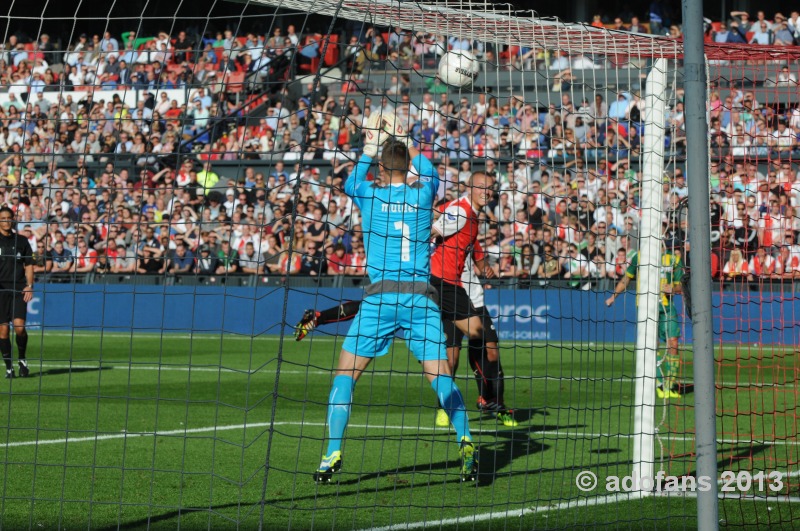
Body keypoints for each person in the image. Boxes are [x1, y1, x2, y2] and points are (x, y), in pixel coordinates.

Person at [313, 113, 477, 484]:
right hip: (421, 299)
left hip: (380, 299)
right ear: (407, 168)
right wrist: (405, 138)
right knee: (441, 379)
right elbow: (429, 172)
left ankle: (332, 452)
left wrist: (372, 145)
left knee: (345, 376)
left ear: (382, 171)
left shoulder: (370, 193)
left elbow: (352, 179)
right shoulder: (423, 195)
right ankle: (466, 439)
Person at [605, 245, 684, 399]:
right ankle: (659, 383)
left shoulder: (674, 259)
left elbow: (681, 284)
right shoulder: (639, 257)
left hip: (666, 307)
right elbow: (627, 278)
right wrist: (613, 296)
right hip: (645, 307)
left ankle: (670, 384)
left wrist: (673, 289)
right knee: (652, 346)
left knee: (673, 343)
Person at [0, 207, 34, 379]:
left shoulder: (22, 241)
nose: (6, 221)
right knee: (3, 332)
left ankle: (22, 359)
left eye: (8, 218)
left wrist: (29, 285)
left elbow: (29, 265)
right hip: (0, 291)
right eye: (3, 218)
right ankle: (8, 368)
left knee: (19, 328)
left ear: (13, 219)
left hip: (19, 288)